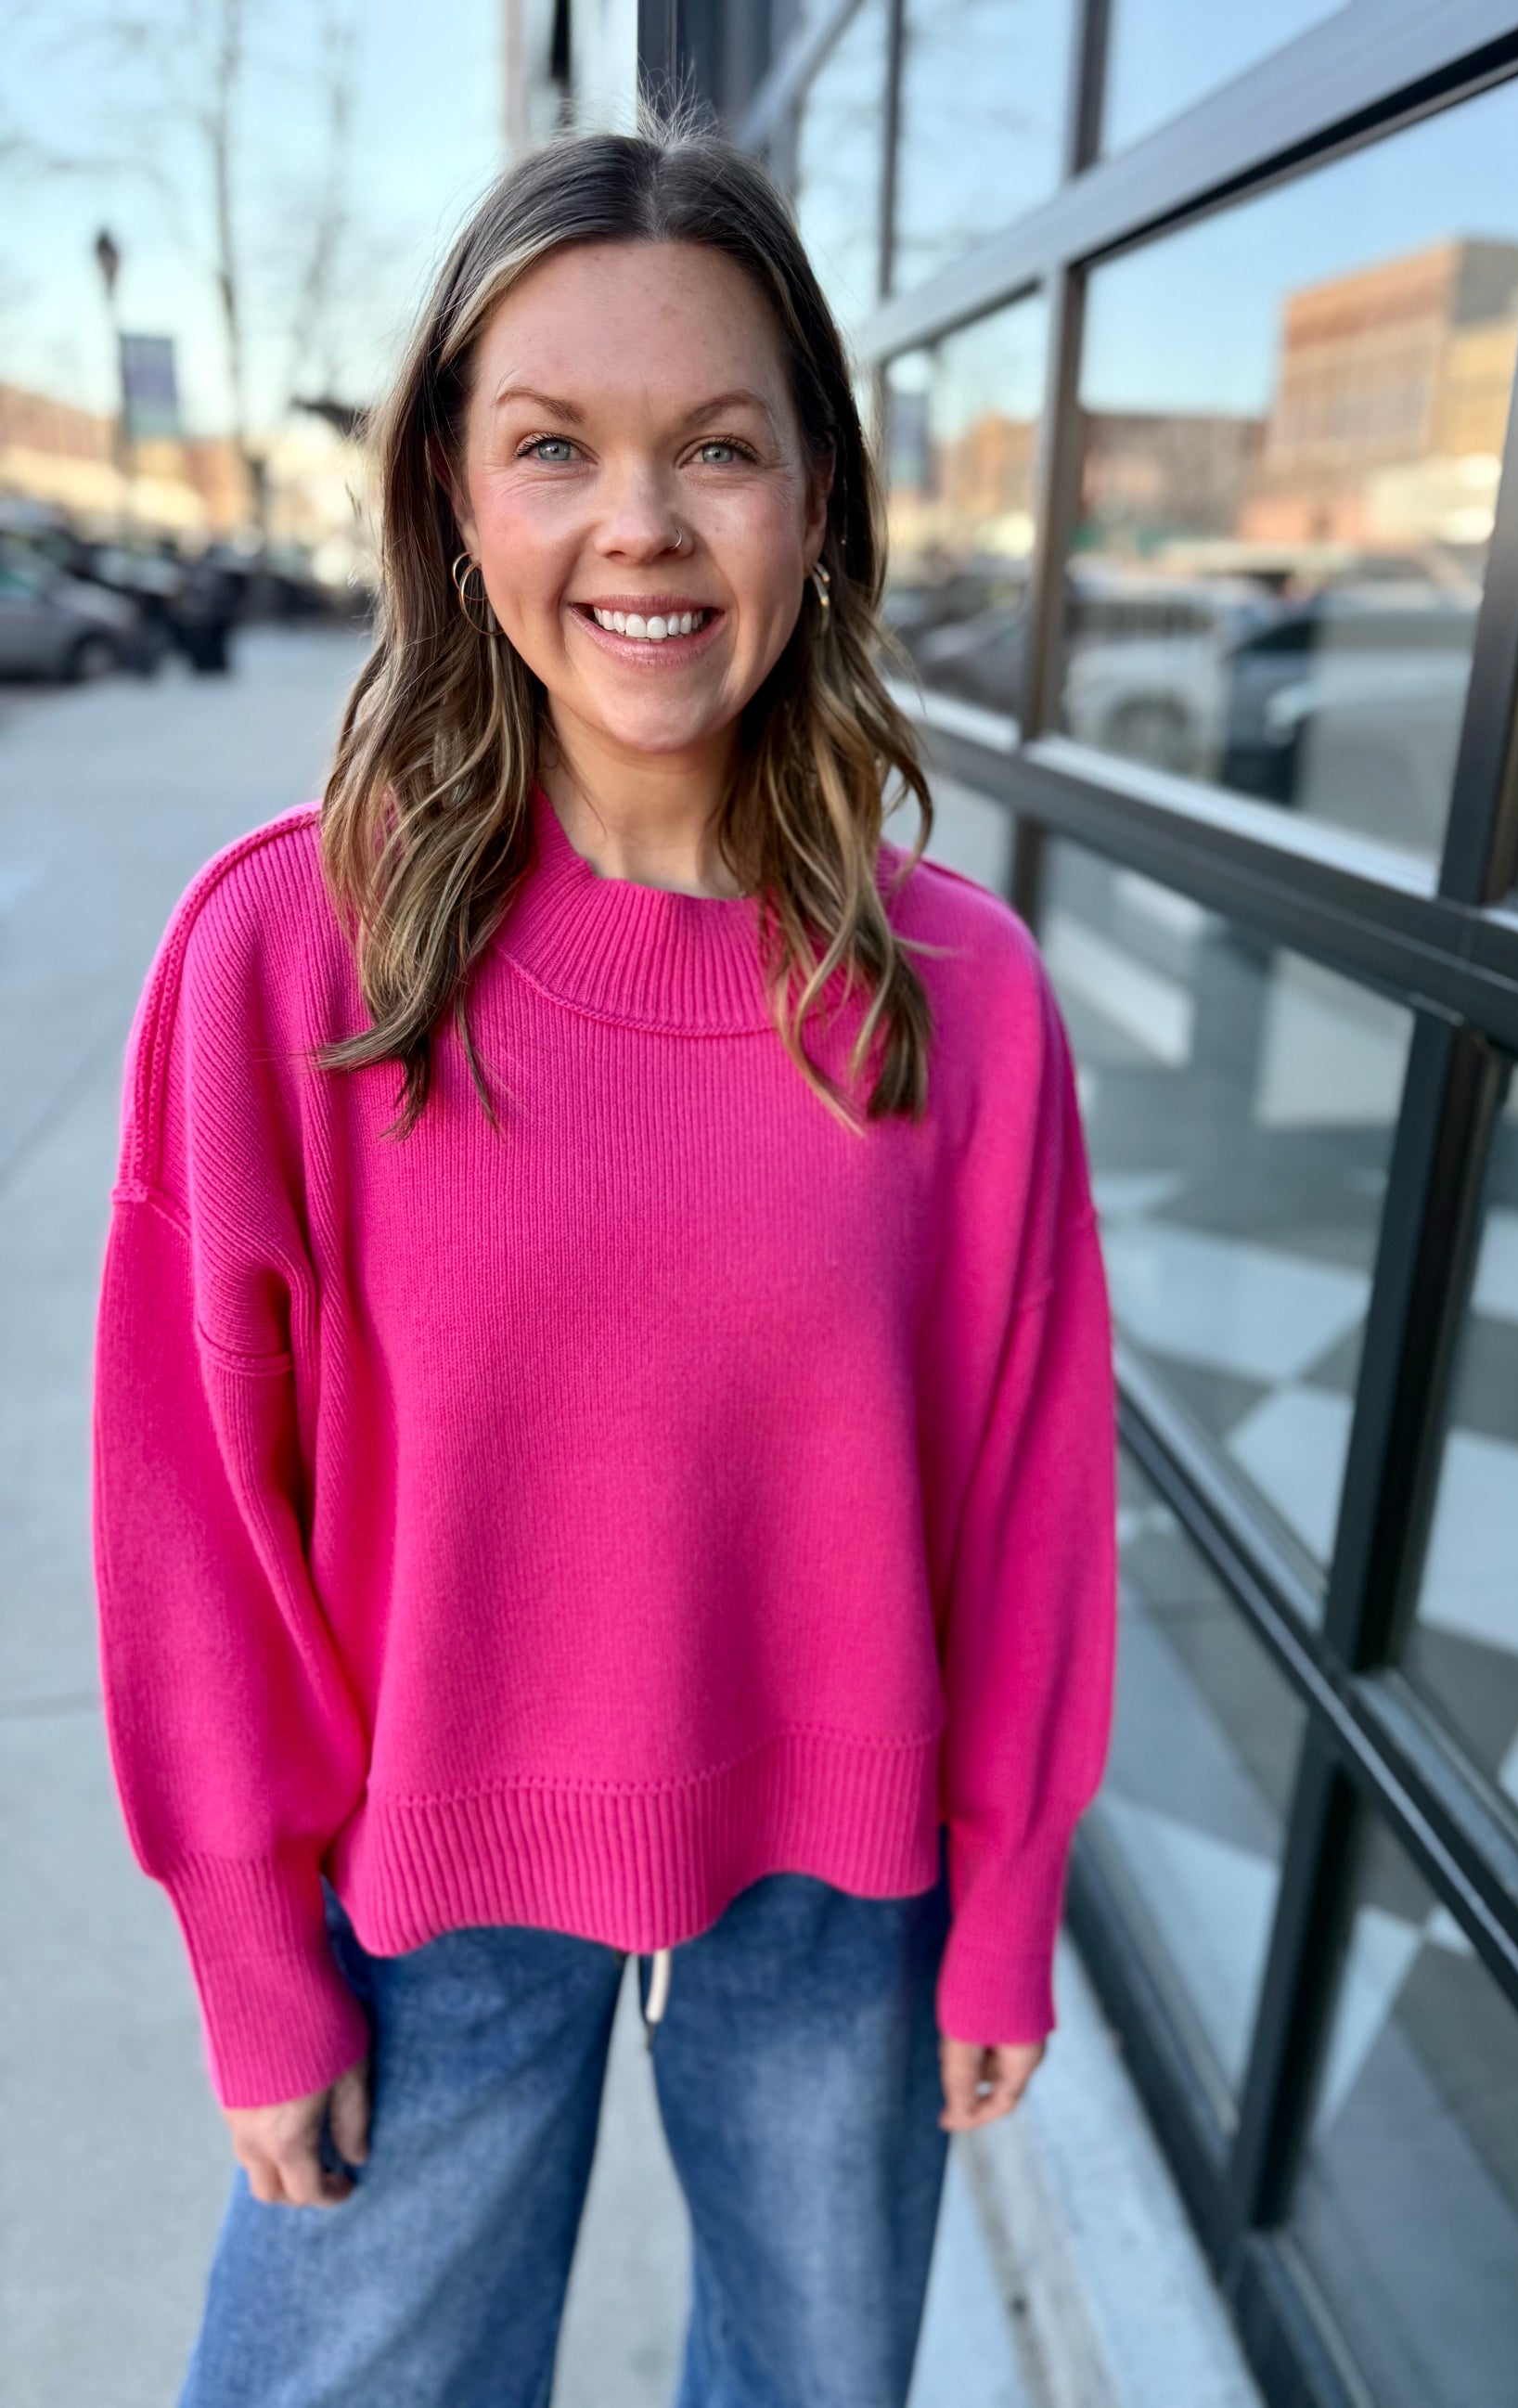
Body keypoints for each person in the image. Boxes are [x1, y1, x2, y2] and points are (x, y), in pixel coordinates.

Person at [91, 112, 1116, 2408]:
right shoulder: (291, 956)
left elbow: (1027, 1487)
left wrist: (1007, 1893)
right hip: (429, 1881)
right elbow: (193, 1511)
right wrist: (252, 1943)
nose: (640, 522)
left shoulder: (962, 997)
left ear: (817, 500)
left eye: (718, 448)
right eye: (554, 444)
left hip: (848, 1889)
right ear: (455, 497)